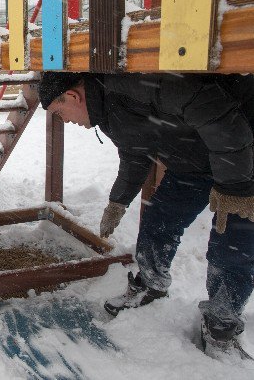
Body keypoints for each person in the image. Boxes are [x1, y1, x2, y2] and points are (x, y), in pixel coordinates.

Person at [38, 71, 254, 360]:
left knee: (232, 248)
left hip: (243, 158)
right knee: (158, 224)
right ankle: (150, 286)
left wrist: (236, 186)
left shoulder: (132, 84)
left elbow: (213, 109)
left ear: (73, 96)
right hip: (191, 163)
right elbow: (134, 152)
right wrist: (119, 201)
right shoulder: (107, 112)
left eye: (58, 111)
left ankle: (221, 326)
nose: (63, 120)